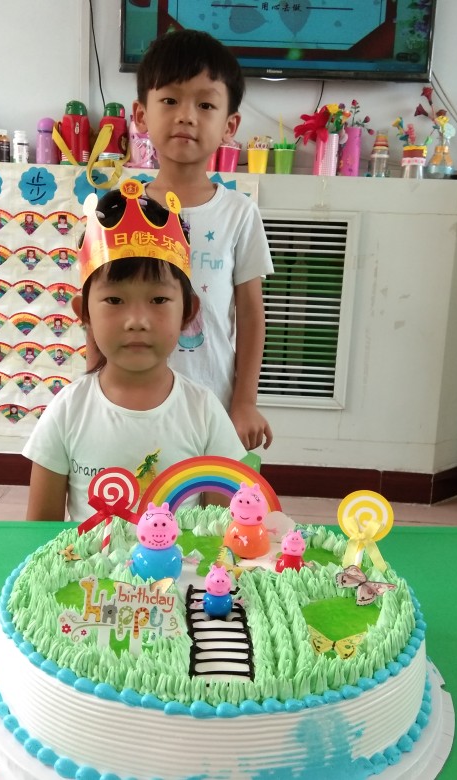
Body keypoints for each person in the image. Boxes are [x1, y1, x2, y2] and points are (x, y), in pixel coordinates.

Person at [23, 180, 246, 523]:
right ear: (84, 313)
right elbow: (39, 531)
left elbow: (222, 528)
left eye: (158, 299)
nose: (137, 321)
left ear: (188, 312)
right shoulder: (67, 411)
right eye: (114, 300)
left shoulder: (204, 413)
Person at [132, 28, 275, 453]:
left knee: (214, 495)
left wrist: (245, 401)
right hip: (134, 399)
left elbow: (251, 314)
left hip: (215, 403)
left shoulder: (239, 213)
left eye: (206, 104)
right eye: (170, 100)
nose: (186, 116)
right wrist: (91, 386)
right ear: (141, 115)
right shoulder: (122, 210)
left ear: (230, 125)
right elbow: (99, 307)